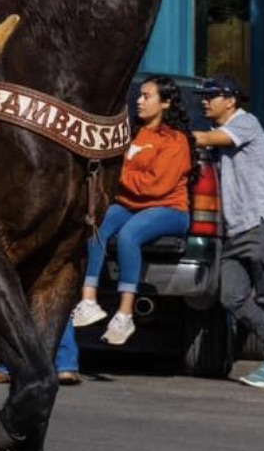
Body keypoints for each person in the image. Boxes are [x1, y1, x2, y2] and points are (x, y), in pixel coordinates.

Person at [188, 75, 264, 390]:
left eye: (210, 95)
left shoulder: (246, 123)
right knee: (230, 296)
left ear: (230, 100)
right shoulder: (224, 129)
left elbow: (204, 140)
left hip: (260, 226)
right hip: (236, 231)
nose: (204, 101)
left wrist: (166, 133)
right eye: (203, 95)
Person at [72, 76, 195, 347]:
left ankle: (125, 314)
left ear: (165, 103)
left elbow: (156, 185)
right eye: (139, 95)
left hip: (169, 209)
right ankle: (88, 300)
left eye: (146, 96)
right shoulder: (132, 133)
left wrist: (118, 174)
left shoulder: (176, 141)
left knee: (129, 235)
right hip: (130, 204)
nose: (139, 101)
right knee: (97, 225)